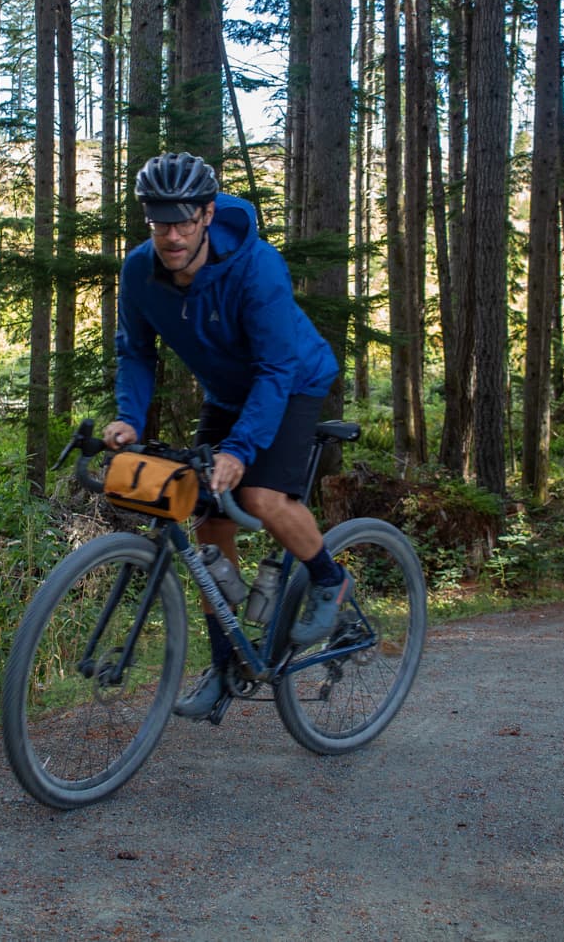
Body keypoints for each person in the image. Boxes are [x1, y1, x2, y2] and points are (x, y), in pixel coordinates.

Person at [101, 151, 352, 719]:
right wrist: (130, 418)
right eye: (159, 223)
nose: (172, 236)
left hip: (293, 380)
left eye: (184, 222)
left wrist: (240, 450)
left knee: (260, 496)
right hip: (227, 392)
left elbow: (276, 368)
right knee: (209, 522)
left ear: (208, 214)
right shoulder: (139, 271)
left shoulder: (256, 267)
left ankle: (329, 579)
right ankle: (226, 664)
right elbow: (135, 352)